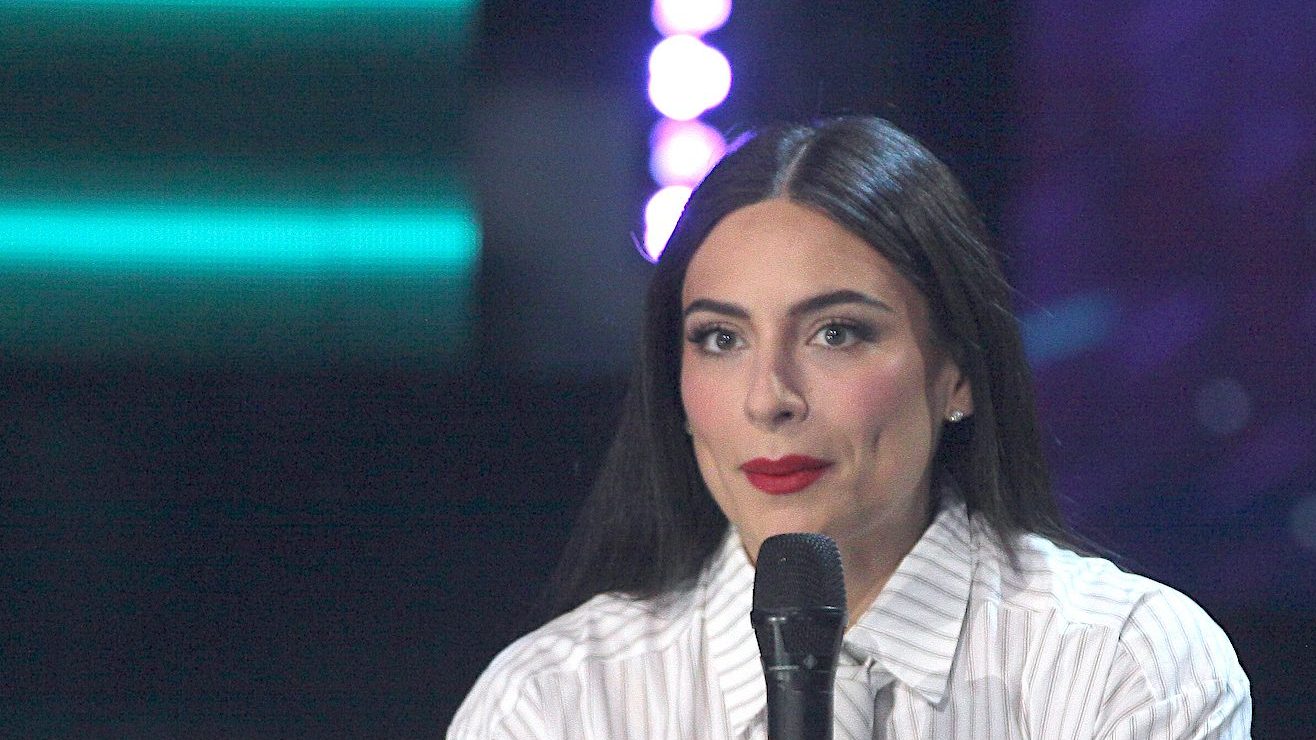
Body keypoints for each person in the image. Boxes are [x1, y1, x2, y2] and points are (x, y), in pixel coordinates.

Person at [448, 116, 1251, 738]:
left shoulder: (1125, 667)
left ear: (958, 372)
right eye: (720, 339)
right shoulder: (554, 703)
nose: (769, 398)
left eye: (836, 333)